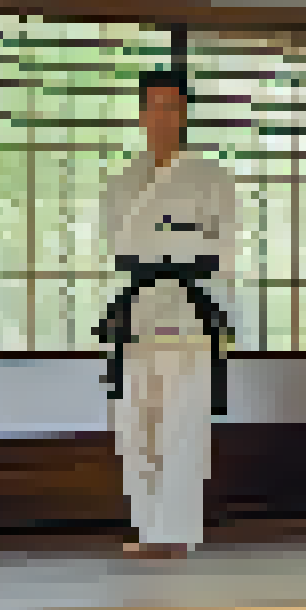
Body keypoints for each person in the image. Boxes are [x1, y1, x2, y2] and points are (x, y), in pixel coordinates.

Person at [96, 69, 238, 559]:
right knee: (138, 424)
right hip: (137, 314)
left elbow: (223, 251)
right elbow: (115, 251)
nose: (163, 116)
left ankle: (176, 531)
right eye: (154, 106)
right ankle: (147, 527)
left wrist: (176, 253)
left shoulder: (210, 179)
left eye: (172, 107)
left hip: (190, 313)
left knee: (183, 422)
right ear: (141, 115)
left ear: (184, 115)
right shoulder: (121, 184)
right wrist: (170, 246)